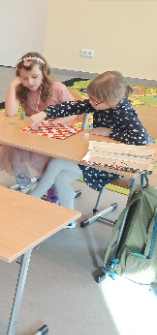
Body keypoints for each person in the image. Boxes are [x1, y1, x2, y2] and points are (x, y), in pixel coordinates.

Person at [28, 71, 148, 228]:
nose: (91, 103)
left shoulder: (124, 112)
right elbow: (71, 107)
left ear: (114, 100)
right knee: (61, 177)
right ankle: (68, 218)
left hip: (110, 164)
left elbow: (141, 139)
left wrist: (110, 132)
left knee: (57, 162)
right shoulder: (99, 102)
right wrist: (45, 113)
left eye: (95, 101)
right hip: (94, 155)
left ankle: (33, 198)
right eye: (90, 98)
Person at [0, 52, 75, 193]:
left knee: (49, 160)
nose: (30, 82)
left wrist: (53, 124)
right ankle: (24, 184)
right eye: (24, 78)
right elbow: (10, 112)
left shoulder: (58, 88)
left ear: (44, 73)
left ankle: (51, 186)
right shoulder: (23, 90)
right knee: (12, 148)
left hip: (54, 134)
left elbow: (73, 113)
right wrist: (13, 86)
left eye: (34, 77)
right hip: (33, 133)